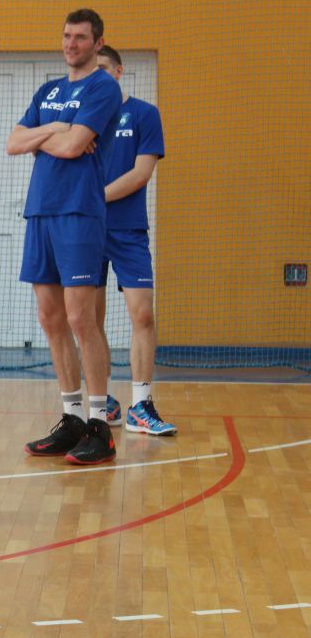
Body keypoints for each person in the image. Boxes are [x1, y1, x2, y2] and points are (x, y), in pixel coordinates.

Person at [7, 9, 121, 465]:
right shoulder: (49, 90)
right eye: (67, 36)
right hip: (40, 211)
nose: (71, 44)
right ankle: (72, 418)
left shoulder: (102, 87)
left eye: (81, 37)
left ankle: (99, 424)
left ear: (97, 43)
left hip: (79, 212)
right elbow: (13, 142)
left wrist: (46, 138)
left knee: (80, 319)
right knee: (50, 318)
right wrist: (56, 129)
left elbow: (75, 148)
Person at [94, 45, 176, 436]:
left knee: (142, 314)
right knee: (89, 321)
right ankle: (103, 401)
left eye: (104, 68)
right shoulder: (82, 119)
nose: (98, 76)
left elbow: (141, 174)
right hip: (88, 232)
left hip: (128, 232)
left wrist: (93, 197)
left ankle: (140, 405)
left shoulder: (144, 113)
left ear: (119, 71)